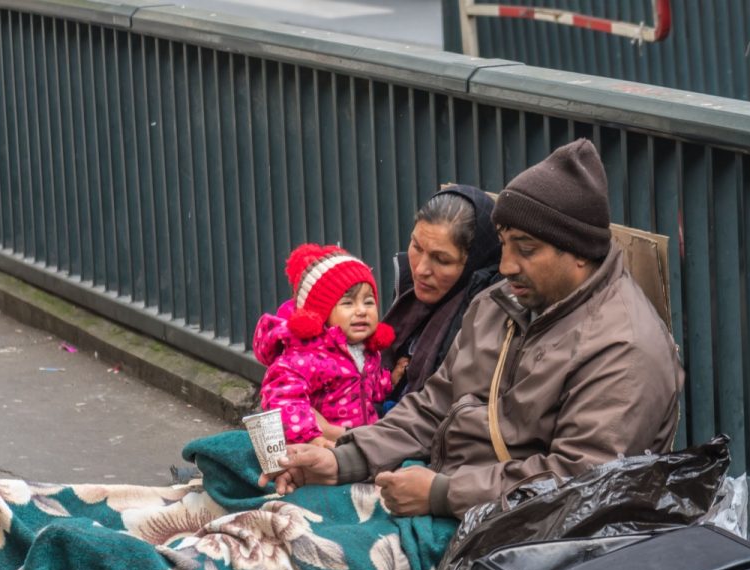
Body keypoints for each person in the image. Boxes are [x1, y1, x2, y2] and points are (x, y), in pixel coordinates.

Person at [262, 139, 684, 518]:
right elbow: (433, 405)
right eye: (504, 244)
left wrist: (443, 494)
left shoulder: (625, 347)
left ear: (577, 252)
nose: (505, 266)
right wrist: (343, 461)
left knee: (267, 560)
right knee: (255, 479)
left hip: (516, 538)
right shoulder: (501, 302)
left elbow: (583, 482)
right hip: (447, 486)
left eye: (526, 249)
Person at [252, 243, 398, 447]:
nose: (362, 311)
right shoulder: (308, 356)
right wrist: (310, 437)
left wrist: (389, 380)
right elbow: (284, 399)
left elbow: (368, 387)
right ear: (321, 314)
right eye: (348, 303)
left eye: (368, 302)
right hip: (322, 444)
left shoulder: (366, 350)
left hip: (360, 441)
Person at [381, 185, 502, 404]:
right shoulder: (407, 297)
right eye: (416, 247)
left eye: (442, 260)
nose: (420, 270)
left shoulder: (483, 326)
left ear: (474, 263)